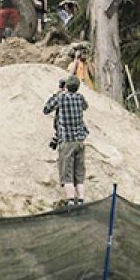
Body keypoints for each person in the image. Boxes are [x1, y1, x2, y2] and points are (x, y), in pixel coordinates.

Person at [44, 75, 89, 205]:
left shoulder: (61, 98)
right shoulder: (80, 98)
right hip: (80, 141)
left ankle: (70, 202)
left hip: (67, 142)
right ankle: (80, 200)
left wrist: (57, 92)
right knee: (79, 175)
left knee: (67, 174)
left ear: (66, 86)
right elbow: (85, 106)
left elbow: (46, 109)